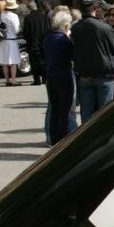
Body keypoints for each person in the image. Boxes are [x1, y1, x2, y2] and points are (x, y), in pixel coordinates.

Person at [70, 0, 114, 121]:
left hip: (85, 73)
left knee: (86, 113)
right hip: (103, 73)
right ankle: (103, 138)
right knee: (104, 113)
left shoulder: (75, 28)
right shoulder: (104, 27)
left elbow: (72, 50)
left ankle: (87, 138)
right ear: (95, 9)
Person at [44, 9, 77, 144]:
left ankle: (53, 138)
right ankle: (62, 139)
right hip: (63, 75)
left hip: (51, 75)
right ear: (65, 25)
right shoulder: (63, 39)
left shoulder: (48, 37)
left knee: (54, 107)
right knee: (64, 109)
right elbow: (72, 55)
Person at [0, 0, 22, 85]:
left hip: (2, 40)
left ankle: (7, 80)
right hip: (11, 40)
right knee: (13, 61)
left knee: (4, 62)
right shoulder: (14, 16)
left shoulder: (0, 14)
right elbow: (16, 30)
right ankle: (13, 80)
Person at [22, 0, 50, 85]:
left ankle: (36, 79)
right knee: (44, 59)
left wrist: (27, 39)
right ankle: (45, 79)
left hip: (33, 43)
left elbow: (26, 32)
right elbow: (49, 29)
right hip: (44, 42)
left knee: (34, 62)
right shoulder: (45, 17)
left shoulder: (28, 18)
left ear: (28, 8)